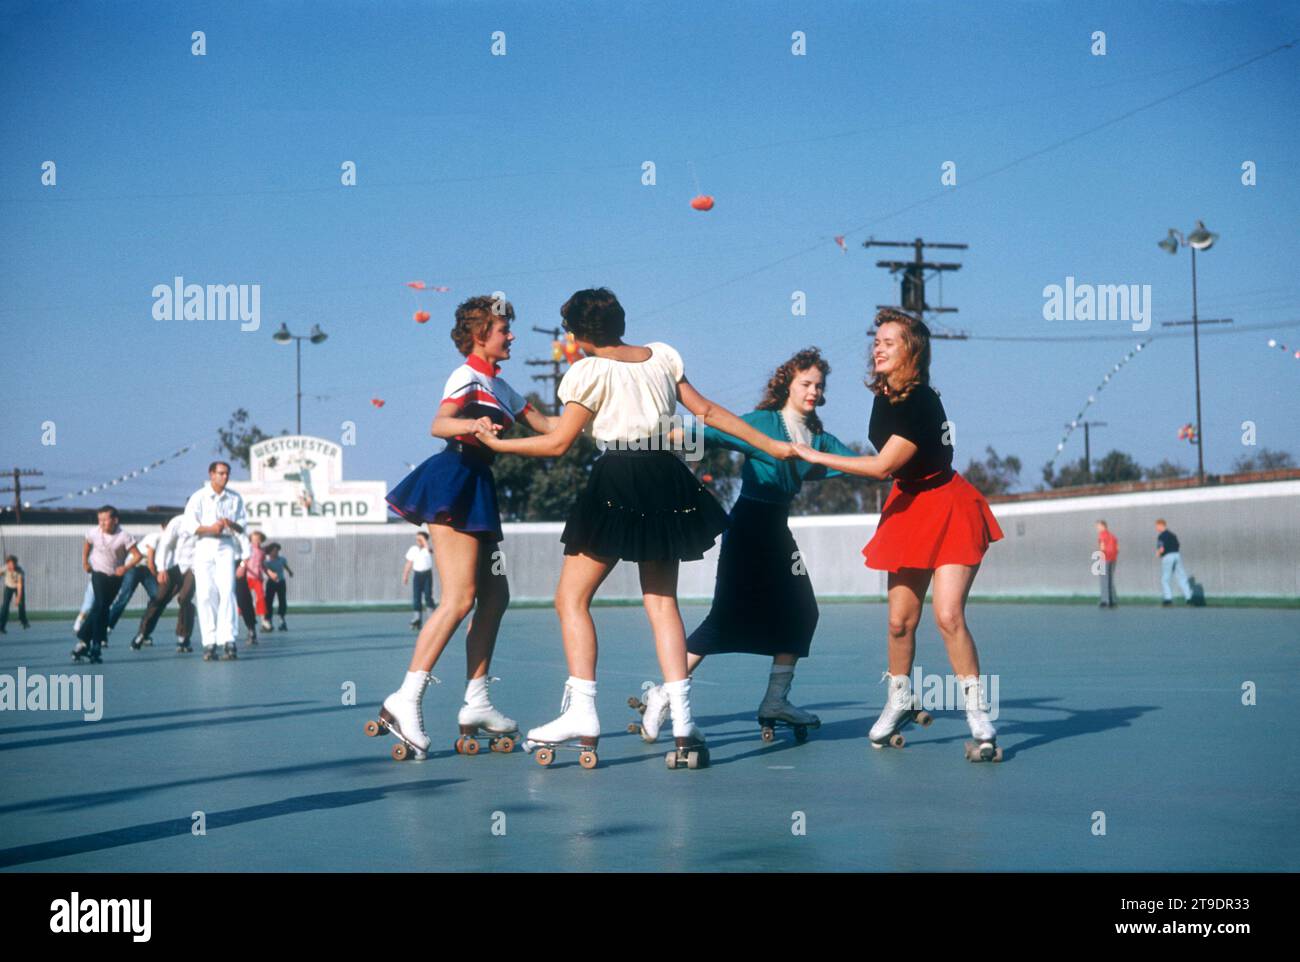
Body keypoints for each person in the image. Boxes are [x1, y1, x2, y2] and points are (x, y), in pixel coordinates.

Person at [473, 287, 795, 769]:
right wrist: (770, 445)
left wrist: (497, 448)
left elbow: (560, 442)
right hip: (666, 474)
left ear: (580, 334)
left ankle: (582, 714)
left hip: (618, 476)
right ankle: (684, 725)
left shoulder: (587, 371)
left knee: (570, 599)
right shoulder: (662, 357)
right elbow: (706, 410)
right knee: (662, 602)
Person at [793, 309, 1005, 761]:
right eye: (877, 340)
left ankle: (979, 716)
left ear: (912, 349)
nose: (878, 346)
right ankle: (900, 699)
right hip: (907, 507)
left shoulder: (921, 401)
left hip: (948, 506)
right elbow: (891, 471)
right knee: (898, 622)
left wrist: (813, 455)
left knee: (948, 617)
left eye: (889, 340)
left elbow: (881, 467)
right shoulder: (884, 397)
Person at [635, 347, 857, 744]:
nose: (812, 391)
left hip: (778, 530)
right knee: (724, 619)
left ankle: (775, 701)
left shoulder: (820, 438)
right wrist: (665, 432)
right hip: (747, 526)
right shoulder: (762, 423)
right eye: (805, 383)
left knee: (803, 613)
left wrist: (904, 462)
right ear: (787, 384)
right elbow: (710, 433)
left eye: (819, 386)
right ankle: (663, 695)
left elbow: (863, 467)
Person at [375, 295, 549, 760]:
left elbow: (550, 428)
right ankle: (405, 699)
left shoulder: (504, 387)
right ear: (479, 336)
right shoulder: (466, 376)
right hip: (452, 480)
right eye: (503, 329)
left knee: (496, 597)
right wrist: (474, 423)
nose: (511, 335)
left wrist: (598, 407)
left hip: (479, 485)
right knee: (459, 598)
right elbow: (439, 424)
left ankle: (476, 702)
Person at [184, 461, 247, 662]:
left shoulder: (235, 498)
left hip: (226, 546)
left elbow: (242, 526)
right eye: (220, 473)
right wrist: (211, 528)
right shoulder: (199, 497)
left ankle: (228, 640)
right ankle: (209, 642)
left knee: (227, 590)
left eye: (227, 473)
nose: (224, 477)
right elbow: (189, 525)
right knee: (204, 594)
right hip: (204, 546)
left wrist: (229, 523)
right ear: (211, 474)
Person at [72, 506, 142, 663]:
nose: (102, 523)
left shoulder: (124, 536)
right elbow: (87, 544)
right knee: (101, 604)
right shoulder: (94, 532)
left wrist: (125, 567)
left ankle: (83, 641)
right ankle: (96, 645)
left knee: (102, 608)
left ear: (115, 520)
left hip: (115, 577)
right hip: (98, 572)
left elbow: (138, 556)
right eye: (99, 520)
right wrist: (85, 561)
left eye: (105, 520)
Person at [133, 512, 198, 652]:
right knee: (159, 598)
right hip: (174, 566)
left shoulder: (208, 522)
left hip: (194, 568)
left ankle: (183, 637)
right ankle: (143, 633)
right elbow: (165, 545)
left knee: (185, 598)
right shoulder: (177, 521)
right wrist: (161, 568)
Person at [106, 522, 163, 633]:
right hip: (134, 567)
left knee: (157, 597)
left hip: (146, 569)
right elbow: (151, 563)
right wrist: (158, 578)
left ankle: (144, 632)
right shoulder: (156, 537)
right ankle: (106, 628)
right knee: (124, 597)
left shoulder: (173, 541)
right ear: (163, 527)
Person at [402, 531, 436, 629]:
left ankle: (432, 617)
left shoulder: (427, 549)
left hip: (427, 575)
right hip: (417, 575)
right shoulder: (413, 549)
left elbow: (429, 550)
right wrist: (405, 575)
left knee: (428, 595)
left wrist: (424, 540)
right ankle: (417, 618)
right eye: (417, 539)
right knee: (417, 596)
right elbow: (409, 563)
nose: (418, 541)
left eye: (420, 539)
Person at [1155, 519, 1193, 606]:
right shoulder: (1173, 535)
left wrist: (1158, 553)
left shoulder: (1161, 536)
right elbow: (1178, 545)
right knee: (1181, 577)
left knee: (1165, 578)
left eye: (1157, 526)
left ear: (1161, 525)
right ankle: (1189, 598)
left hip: (1168, 556)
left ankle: (1168, 599)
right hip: (1177, 555)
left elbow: (1161, 549)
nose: (1156, 528)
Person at [263, 543, 292, 630]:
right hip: (271, 583)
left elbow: (285, 566)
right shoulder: (266, 561)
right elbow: (265, 570)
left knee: (282, 600)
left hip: (281, 582)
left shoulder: (282, 559)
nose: (276, 552)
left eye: (277, 551)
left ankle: (282, 620)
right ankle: (268, 621)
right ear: (270, 552)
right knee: (268, 602)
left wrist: (290, 572)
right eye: (274, 551)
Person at [1, 555, 30, 633]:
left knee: (21, 604)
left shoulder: (20, 571)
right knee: (5, 607)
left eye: (13, 565)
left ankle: (23, 621)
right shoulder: (4, 568)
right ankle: (1, 626)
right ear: (7, 564)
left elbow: (19, 585)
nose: (11, 567)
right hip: (8, 587)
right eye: (9, 565)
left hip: (18, 587)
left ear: (16, 564)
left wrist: (18, 598)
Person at [1096, 520, 1119, 608]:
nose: (1097, 528)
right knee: (1110, 580)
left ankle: (1105, 601)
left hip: (1104, 558)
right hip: (1113, 558)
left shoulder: (1102, 535)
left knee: (1103, 580)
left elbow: (1102, 547)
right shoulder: (1112, 536)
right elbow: (1117, 548)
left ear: (1102, 526)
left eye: (1098, 526)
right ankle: (1113, 600)